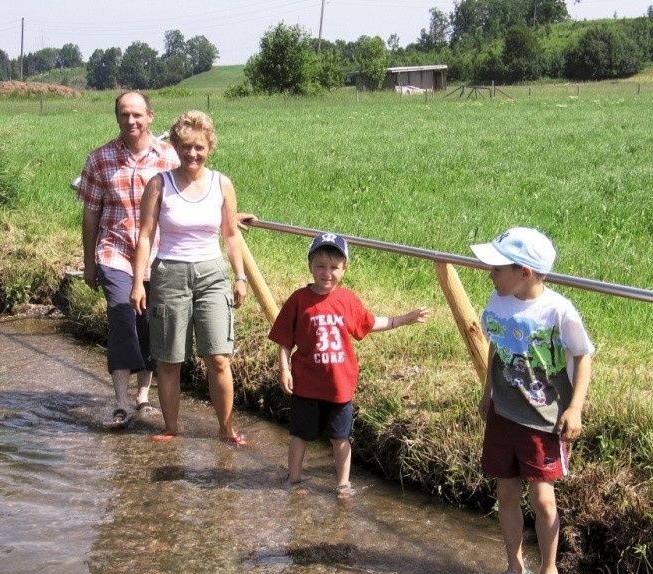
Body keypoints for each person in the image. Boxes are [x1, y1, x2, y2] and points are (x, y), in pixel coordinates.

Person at [471, 227, 594, 574]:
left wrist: (575, 407)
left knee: (543, 497)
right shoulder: (497, 301)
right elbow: (496, 347)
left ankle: (549, 570)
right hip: (503, 414)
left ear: (523, 272)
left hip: (543, 419)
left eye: (497, 268)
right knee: (506, 491)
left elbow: (583, 355)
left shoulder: (557, 310)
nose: (490, 274)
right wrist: (488, 391)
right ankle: (514, 565)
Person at [268, 233, 430, 498]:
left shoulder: (347, 299)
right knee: (299, 434)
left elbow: (370, 323)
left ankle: (343, 484)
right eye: (320, 266)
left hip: (339, 387)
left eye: (334, 267)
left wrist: (404, 319)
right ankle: (293, 479)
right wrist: (284, 369)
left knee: (340, 437)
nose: (327, 273)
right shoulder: (298, 300)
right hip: (306, 385)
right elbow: (284, 341)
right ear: (310, 266)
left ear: (344, 269)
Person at [130, 110, 253, 446]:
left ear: (209, 147)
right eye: (186, 146)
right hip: (170, 274)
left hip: (212, 274)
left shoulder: (222, 183)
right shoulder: (159, 184)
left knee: (218, 358)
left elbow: (231, 235)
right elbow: (145, 236)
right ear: (175, 146)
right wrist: (138, 282)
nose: (192, 154)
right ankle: (171, 428)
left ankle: (226, 429)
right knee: (170, 360)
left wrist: (240, 276)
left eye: (199, 147)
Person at [78, 91, 180, 429]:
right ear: (117, 117)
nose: (131, 120)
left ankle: (143, 397)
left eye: (137, 114)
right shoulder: (100, 159)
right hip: (115, 252)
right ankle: (121, 402)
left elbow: (191, 194)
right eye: (124, 114)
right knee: (122, 315)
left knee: (149, 322)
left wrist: (229, 215)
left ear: (150, 116)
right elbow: (91, 214)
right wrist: (89, 262)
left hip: (158, 253)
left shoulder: (169, 157)